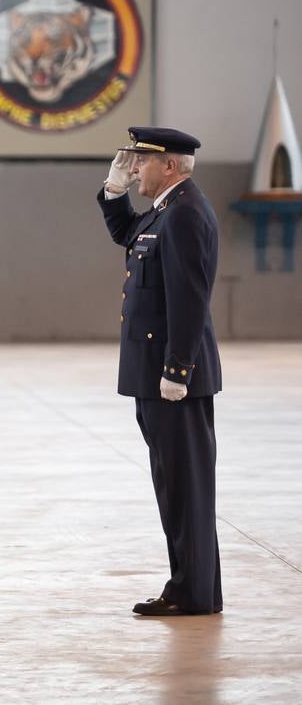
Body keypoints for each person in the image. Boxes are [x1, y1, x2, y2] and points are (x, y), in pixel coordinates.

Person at [99, 126, 223, 617]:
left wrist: (177, 369)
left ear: (169, 165)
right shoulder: (167, 209)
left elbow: (190, 299)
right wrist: (112, 194)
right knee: (174, 485)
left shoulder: (187, 214)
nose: (134, 169)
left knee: (185, 487)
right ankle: (190, 588)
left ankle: (193, 593)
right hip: (155, 375)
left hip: (173, 379)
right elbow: (129, 234)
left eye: (140, 162)